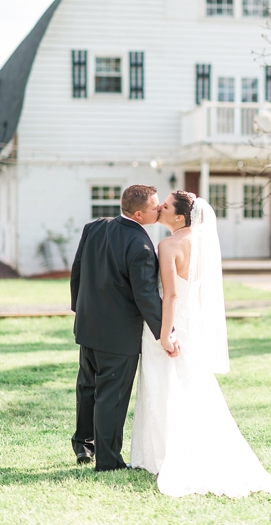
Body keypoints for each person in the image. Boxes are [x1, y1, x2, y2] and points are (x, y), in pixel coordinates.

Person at [130, 190, 271, 498]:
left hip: (170, 326)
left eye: (165, 206)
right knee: (190, 388)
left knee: (163, 386)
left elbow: (171, 294)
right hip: (189, 327)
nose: (159, 209)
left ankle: (163, 456)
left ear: (178, 217)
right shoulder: (200, 244)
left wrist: (164, 333)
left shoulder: (169, 244)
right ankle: (176, 450)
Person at [71, 184, 179, 471]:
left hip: (88, 325)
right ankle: (108, 461)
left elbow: (77, 271)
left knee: (87, 387)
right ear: (141, 214)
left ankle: (83, 444)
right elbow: (146, 296)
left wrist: (78, 310)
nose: (160, 209)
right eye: (156, 206)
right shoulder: (142, 246)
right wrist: (165, 333)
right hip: (118, 335)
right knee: (112, 396)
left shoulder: (94, 227)